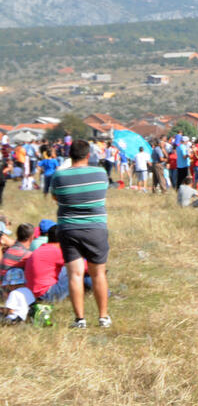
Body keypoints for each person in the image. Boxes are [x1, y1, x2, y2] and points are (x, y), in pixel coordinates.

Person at [50, 139, 111, 329]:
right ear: (88, 155)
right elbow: (102, 193)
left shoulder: (59, 176)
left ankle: (80, 319)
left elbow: (55, 197)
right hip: (95, 228)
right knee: (98, 273)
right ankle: (103, 317)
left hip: (68, 228)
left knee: (74, 275)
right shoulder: (100, 173)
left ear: (69, 155)